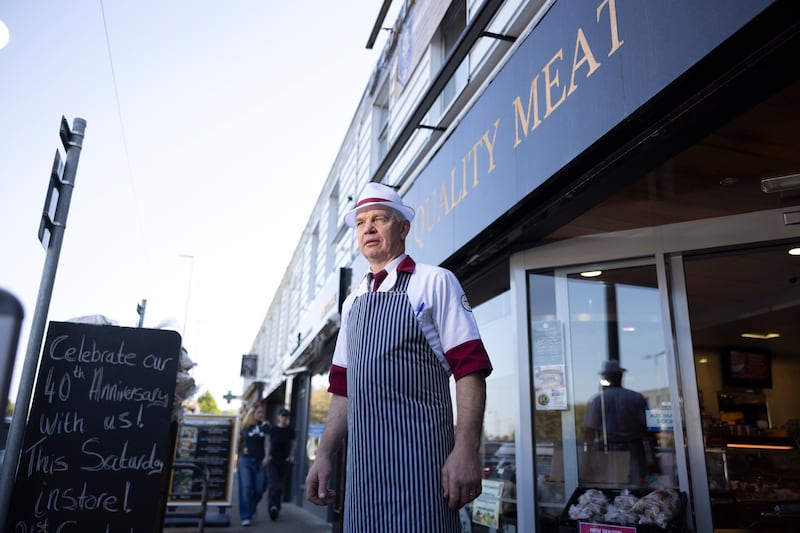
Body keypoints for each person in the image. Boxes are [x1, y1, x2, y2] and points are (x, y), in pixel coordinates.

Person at [305, 182, 493, 531]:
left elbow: (470, 369)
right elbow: (343, 387)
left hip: (423, 471)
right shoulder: (352, 303)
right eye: (360, 223)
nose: (368, 228)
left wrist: (467, 450)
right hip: (363, 477)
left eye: (379, 219)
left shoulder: (435, 282)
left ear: (404, 228)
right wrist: (324, 454)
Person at [582, 359, 655, 485]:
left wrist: (586, 458)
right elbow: (646, 429)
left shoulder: (598, 400)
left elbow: (589, 432)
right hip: (633, 451)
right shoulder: (636, 397)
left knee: (609, 486)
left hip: (608, 452)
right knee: (634, 487)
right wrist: (652, 455)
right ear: (621, 376)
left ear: (606, 377)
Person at [237, 402, 269, 526]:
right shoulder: (244, 426)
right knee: (246, 487)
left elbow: (268, 442)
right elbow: (238, 442)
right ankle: (246, 516)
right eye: (259, 412)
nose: (261, 414)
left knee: (259, 489)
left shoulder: (264, 426)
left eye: (262, 412)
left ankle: (252, 506)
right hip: (245, 460)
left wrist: (267, 456)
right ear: (252, 413)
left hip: (260, 461)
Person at [265, 407, 296, 520]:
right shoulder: (273, 430)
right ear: (278, 417)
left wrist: (291, 456)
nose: (284, 418)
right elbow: (268, 443)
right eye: (282, 416)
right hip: (273, 460)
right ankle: (272, 506)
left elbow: (293, 444)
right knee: (273, 484)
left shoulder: (290, 431)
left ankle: (277, 506)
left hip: (284, 461)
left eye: (286, 416)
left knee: (280, 486)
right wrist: (266, 456)